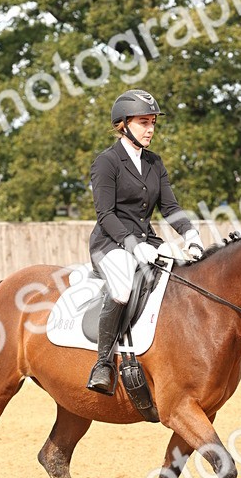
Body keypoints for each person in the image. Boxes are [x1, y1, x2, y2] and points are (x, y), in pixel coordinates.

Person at [86, 89, 203, 395]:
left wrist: (191, 235)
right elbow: (105, 214)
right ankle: (103, 364)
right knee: (123, 285)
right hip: (110, 243)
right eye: (143, 122)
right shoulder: (106, 162)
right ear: (123, 125)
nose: (150, 128)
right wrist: (131, 244)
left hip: (147, 240)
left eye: (152, 122)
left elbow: (170, 207)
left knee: (179, 275)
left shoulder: (154, 162)